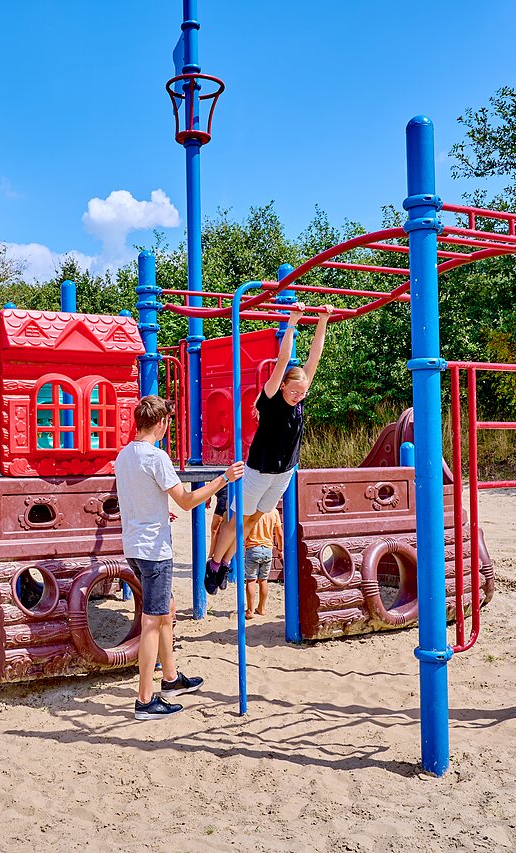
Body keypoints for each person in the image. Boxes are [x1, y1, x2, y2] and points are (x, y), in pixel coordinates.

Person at [114, 395, 244, 720]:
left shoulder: (124, 455)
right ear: (161, 423)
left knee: (167, 609)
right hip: (154, 551)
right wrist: (223, 479)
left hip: (134, 546)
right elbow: (186, 501)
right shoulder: (157, 457)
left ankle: (170, 678)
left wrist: (158, 512)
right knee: (152, 621)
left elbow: (141, 496)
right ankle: (145, 700)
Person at [205, 305, 332, 595]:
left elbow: (315, 357)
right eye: (294, 391)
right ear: (283, 385)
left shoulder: (300, 396)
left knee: (254, 518)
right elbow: (284, 359)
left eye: (303, 392)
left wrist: (323, 321)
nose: (299, 396)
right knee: (237, 519)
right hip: (260, 469)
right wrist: (293, 321)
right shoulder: (272, 397)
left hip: (284, 471)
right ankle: (214, 564)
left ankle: (227, 562)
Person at [243, 508, 281, 619]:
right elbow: (279, 533)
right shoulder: (274, 511)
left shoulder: (252, 509)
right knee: (263, 580)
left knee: (251, 580)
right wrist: (280, 549)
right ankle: (262, 608)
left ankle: (250, 610)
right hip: (267, 549)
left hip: (253, 548)